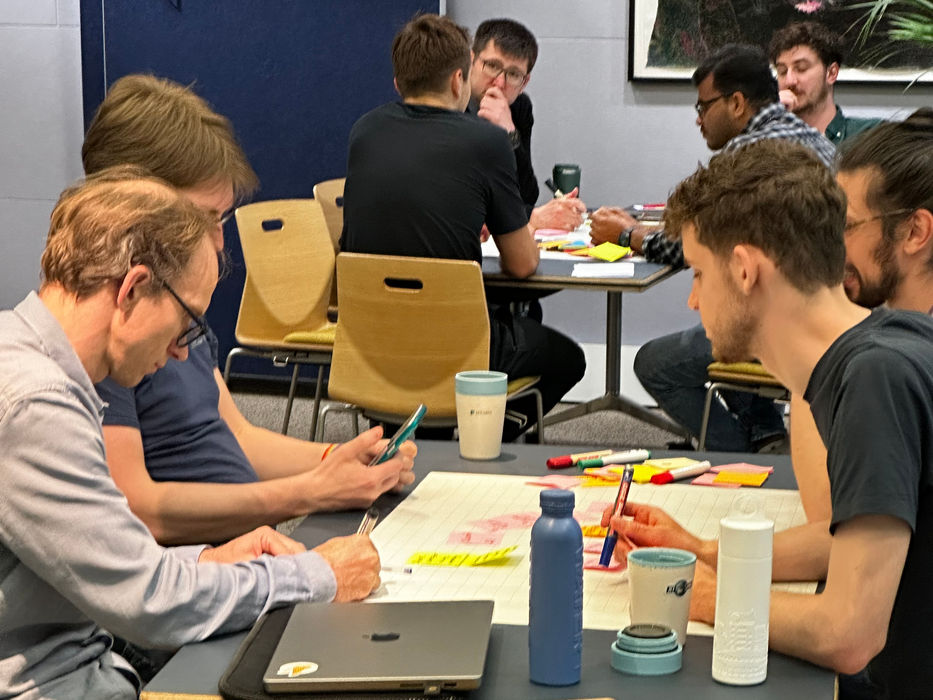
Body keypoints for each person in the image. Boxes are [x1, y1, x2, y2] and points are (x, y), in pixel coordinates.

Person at [0, 170, 384, 699]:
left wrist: (205, 560)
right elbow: (149, 602)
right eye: (188, 322)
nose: (183, 352)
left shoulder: (30, 362)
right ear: (132, 289)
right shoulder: (36, 407)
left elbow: (110, 560)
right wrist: (320, 576)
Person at [604, 137, 933, 700]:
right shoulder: (874, 350)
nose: (693, 301)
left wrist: (706, 594)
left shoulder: (875, 378)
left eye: (699, 274)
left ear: (744, 269)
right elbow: (852, 540)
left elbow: (849, 632)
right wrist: (710, 552)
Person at [82, 74, 414, 547]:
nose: (218, 242)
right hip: (201, 573)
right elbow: (139, 510)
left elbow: (237, 434)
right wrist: (308, 493)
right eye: (204, 220)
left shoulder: (171, 311)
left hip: (246, 554)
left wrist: (337, 459)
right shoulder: (112, 339)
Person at [340, 14, 586, 441]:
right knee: (567, 358)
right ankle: (491, 434)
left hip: (372, 338)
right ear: (460, 79)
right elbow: (524, 265)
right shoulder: (483, 141)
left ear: (399, 84)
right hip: (456, 341)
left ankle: (425, 433)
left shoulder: (364, 131)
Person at [591, 44, 834, 452]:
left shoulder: (744, 158)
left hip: (781, 322)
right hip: (825, 315)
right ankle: (766, 431)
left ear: (737, 103)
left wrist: (625, 235)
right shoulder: (813, 139)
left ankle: (739, 452)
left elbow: (687, 249)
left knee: (659, 361)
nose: (698, 119)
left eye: (704, 106)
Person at [790, 108, 933, 522]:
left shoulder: (890, 367)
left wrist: (807, 351)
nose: (831, 246)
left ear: (914, 233)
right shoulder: (895, 337)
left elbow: (833, 519)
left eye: (847, 226)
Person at [468, 18, 585, 231]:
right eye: (492, 66)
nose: (500, 83)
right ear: (471, 60)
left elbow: (527, 195)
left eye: (513, 74)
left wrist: (510, 133)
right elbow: (459, 202)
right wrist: (531, 218)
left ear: (525, 82)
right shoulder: (451, 102)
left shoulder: (519, 107)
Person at [770, 21, 882, 146]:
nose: (789, 81)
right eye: (782, 71)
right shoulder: (768, 138)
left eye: (801, 68)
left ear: (831, 73)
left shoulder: (870, 134)